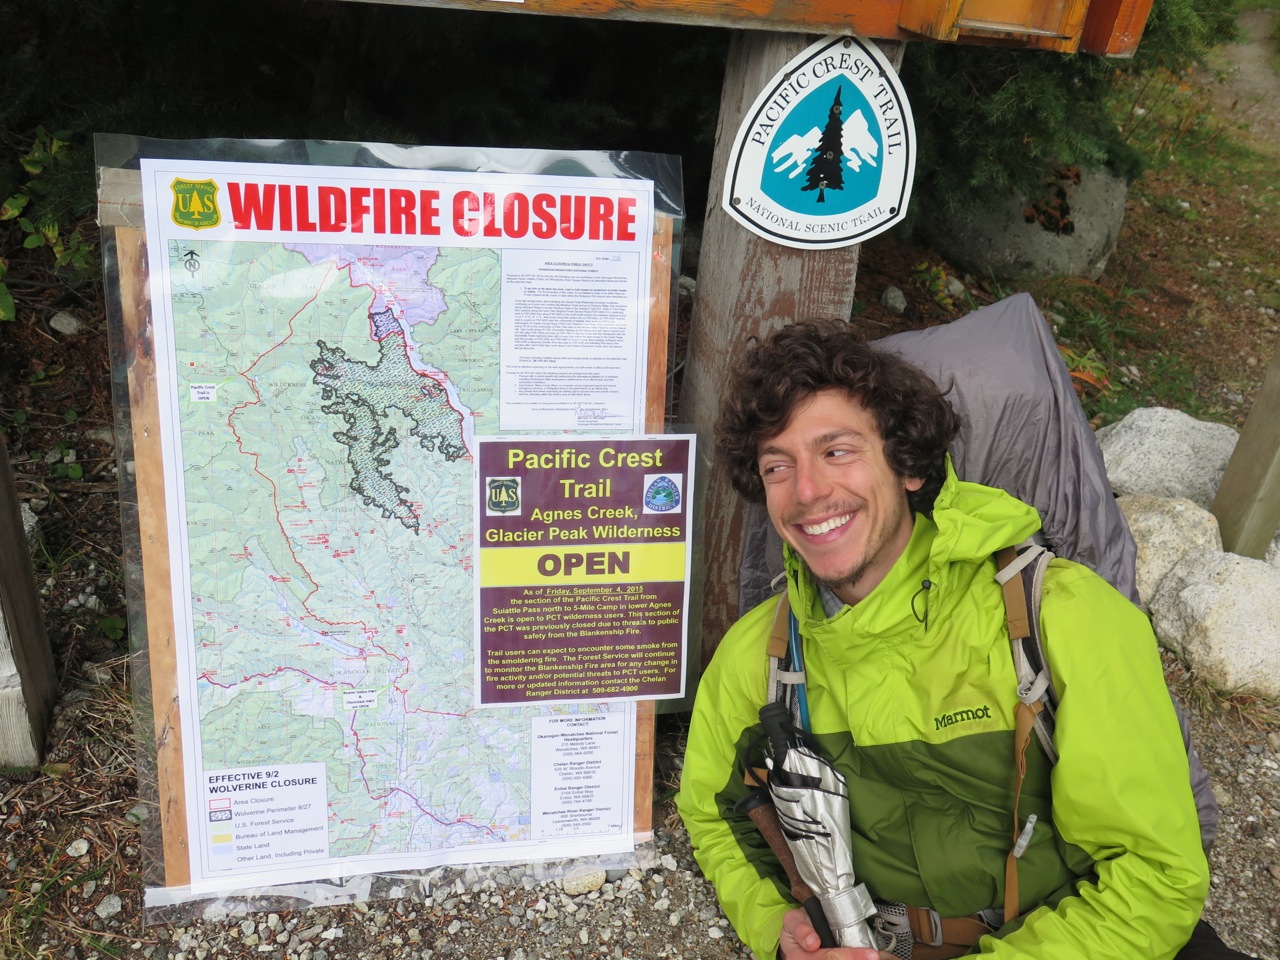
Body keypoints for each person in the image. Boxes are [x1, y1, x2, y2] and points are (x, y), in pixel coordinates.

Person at [676, 320, 1240, 960]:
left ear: (908, 467)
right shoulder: (758, 655)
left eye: (837, 452)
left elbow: (1155, 875)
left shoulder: (1063, 617)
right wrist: (777, 925)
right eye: (778, 466)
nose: (807, 491)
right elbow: (711, 813)